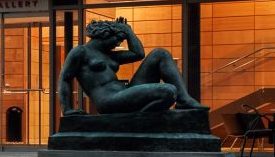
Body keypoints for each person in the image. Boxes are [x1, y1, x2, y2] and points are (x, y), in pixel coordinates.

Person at [56, 17, 206, 116]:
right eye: (118, 39)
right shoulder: (81, 52)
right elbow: (64, 78)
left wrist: (128, 31)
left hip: (125, 94)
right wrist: (66, 109)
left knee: (160, 53)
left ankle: (184, 99)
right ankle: (137, 117)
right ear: (105, 34)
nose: (118, 44)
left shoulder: (109, 55)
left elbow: (138, 53)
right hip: (108, 101)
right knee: (169, 91)